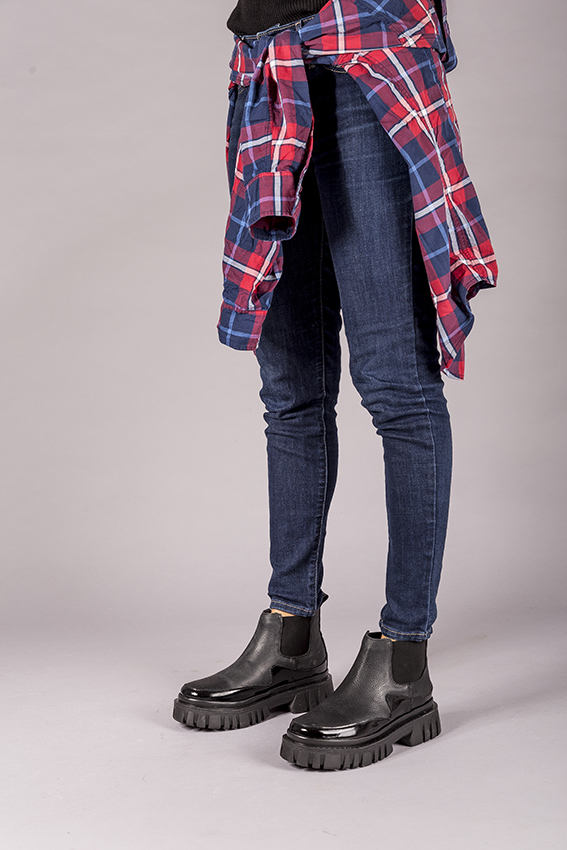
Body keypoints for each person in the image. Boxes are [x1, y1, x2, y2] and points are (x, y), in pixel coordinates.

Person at [173, 0, 497, 770]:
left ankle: (402, 663)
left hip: (366, 48)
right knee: (288, 385)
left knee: (395, 382)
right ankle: (291, 641)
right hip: (265, 61)